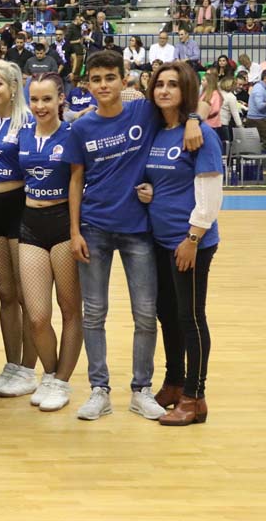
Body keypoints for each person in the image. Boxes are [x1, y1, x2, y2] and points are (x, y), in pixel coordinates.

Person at [65, 49, 202, 422]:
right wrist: (74, 230)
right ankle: (99, 389)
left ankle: (141, 389)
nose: (103, 85)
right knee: (94, 313)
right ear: (87, 84)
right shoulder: (81, 128)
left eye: (110, 77)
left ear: (123, 79)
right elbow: (76, 178)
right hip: (93, 229)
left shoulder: (143, 111)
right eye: (96, 79)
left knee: (145, 313)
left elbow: (182, 97)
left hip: (139, 230)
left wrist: (193, 119)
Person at [138, 62, 223, 425]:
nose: (164, 90)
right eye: (159, 84)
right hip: (160, 241)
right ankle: (173, 383)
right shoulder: (159, 131)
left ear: (185, 90)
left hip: (189, 243)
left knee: (190, 317)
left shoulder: (199, 133)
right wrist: (149, 192)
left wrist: (193, 238)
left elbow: (210, 193)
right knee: (166, 315)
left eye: (173, 85)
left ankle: (195, 396)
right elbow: (166, 180)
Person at [17, 74, 81, 412]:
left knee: (70, 310)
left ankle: (63, 381)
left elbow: (79, 180)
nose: (40, 106)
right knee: (38, 316)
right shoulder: (24, 134)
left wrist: (75, 231)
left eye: (46, 99)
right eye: (35, 99)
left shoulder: (73, 134)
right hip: (30, 224)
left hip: (62, 224)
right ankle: (50, 373)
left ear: (61, 99)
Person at [0, 61, 38, 397]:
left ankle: (29, 369)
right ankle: (12, 365)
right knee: (6, 294)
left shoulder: (27, 122)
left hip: (19, 209)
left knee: (28, 296)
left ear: (14, 86)